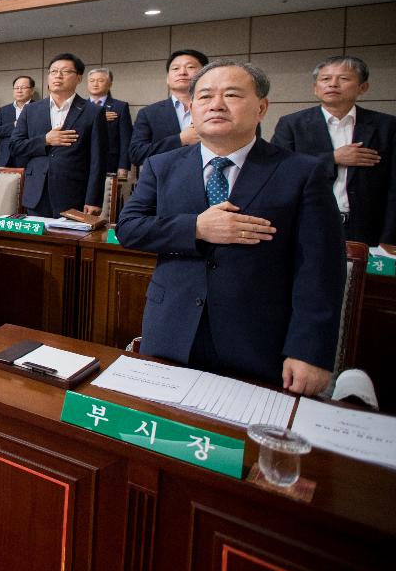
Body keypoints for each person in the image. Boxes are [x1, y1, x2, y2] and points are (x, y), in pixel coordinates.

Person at [118, 61, 345, 394]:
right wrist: (196, 227)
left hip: (258, 341)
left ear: (261, 107)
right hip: (172, 330)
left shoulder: (300, 172)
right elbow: (130, 228)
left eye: (232, 94)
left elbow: (320, 269)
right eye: (206, 96)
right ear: (192, 108)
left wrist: (309, 350)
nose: (216, 104)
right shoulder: (161, 165)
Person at [272, 55, 396, 246]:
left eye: (344, 79)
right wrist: (332, 158)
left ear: (363, 87)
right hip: (307, 222)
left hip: (366, 228)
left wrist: (389, 239)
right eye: (325, 79)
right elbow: (278, 170)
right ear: (315, 88)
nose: (333, 84)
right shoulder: (292, 124)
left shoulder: (387, 126)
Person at [11, 53, 106, 217]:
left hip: (74, 193)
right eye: (53, 71)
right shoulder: (31, 110)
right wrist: (45, 140)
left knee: (68, 241)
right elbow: (15, 146)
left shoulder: (93, 112)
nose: (58, 76)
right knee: (36, 242)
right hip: (37, 192)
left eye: (65, 72)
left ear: (79, 78)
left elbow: (98, 159)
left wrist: (93, 199)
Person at [129, 49, 209, 166]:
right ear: (167, 79)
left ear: (205, 74)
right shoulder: (149, 113)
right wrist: (180, 140)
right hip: (164, 180)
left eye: (190, 67)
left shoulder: (217, 108)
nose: (182, 72)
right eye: (175, 68)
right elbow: (136, 154)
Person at [86, 67, 132, 179]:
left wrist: (123, 166)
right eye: (91, 81)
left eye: (100, 81)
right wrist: (98, 118)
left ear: (110, 84)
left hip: (109, 162)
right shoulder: (80, 107)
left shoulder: (120, 107)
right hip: (83, 161)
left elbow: (126, 139)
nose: (95, 84)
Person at [0, 75, 35, 166]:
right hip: (5, 156)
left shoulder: (39, 108)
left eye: (23, 87)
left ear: (32, 90)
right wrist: (14, 125)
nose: (19, 90)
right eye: (16, 88)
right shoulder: (4, 110)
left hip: (29, 156)